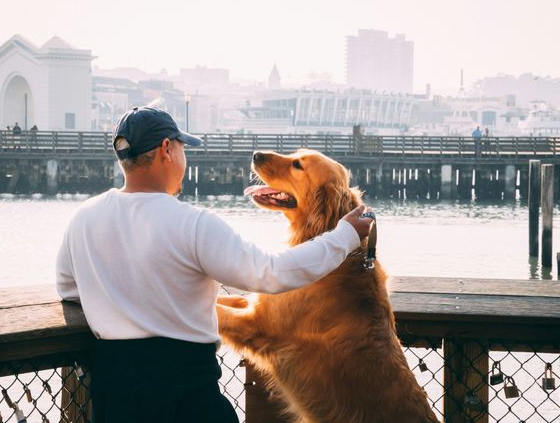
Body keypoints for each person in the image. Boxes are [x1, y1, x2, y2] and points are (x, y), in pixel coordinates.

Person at [56, 107, 375, 423]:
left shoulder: (83, 218)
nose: (184, 157)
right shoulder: (192, 223)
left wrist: (123, 301)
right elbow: (269, 273)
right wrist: (345, 236)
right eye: (182, 148)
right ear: (167, 150)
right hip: (185, 389)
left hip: (115, 391)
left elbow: (69, 289)